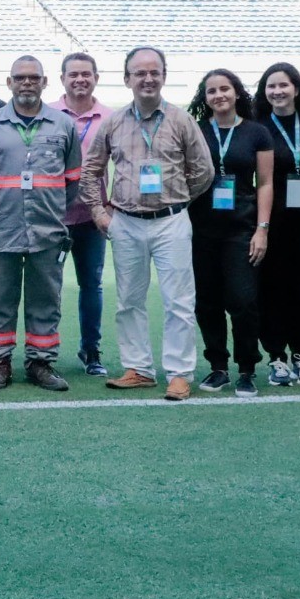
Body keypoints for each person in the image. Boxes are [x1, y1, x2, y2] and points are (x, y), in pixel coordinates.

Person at [85, 46, 215, 403]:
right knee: (128, 300)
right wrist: (99, 212)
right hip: (125, 222)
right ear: (127, 79)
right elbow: (92, 169)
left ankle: (178, 374)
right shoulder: (112, 121)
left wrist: (178, 199)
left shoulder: (180, 119)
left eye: (154, 71)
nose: (147, 78)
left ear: (163, 76)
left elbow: (204, 170)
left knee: (178, 301)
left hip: (171, 221)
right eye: (139, 73)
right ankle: (138, 368)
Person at [0, 55, 81, 391]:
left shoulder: (63, 126)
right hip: (0, 228)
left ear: (45, 82)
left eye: (34, 78)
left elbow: (72, 181)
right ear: (9, 83)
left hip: (48, 230)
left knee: (46, 299)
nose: (27, 83)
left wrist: (51, 212)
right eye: (20, 78)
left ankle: (40, 363)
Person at [188, 68, 276, 396]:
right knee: (206, 301)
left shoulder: (257, 133)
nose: (219, 95)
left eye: (224, 89)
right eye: (211, 91)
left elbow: (266, 183)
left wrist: (262, 229)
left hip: (242, 228)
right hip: (201, 229)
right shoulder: (196, 131)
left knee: (243, 300)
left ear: (236, 92)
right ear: (205, 97)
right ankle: (218, 367)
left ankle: (247, 368)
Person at [254, 62, 300, 387]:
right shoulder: (258, 127)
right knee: (271, 291)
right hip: (274, 222)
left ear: (296, 88)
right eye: (271, 86)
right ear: (264, 91)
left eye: (283, 85)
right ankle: (276, 357)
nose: (277, 91)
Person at [56, 52, 113, 377]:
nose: (80, 79)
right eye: (73, 74)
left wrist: (110, 206)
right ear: (62, 78)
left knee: (91, 284)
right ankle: (44, 349)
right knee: (48, 287)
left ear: (95, 77)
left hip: (93, 219)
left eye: (86, 74)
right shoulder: (49, 113)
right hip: (54, 218)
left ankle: (91, 349)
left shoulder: (110, 117)